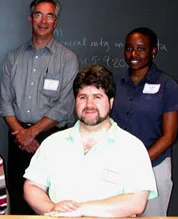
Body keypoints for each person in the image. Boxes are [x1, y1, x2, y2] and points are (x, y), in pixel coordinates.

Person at [23, 65, 157, 217]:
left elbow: (137, 202)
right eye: (83, 97)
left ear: (111, 102)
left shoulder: (132, 148)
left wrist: (79, 210)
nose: (89, 105)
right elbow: (32, 186)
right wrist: (51, 209)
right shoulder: (52, 143)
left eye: (97, 97)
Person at [0, 0, 79, 214]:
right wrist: (21, 134)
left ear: (56, 21)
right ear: (30, 18)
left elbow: (65, 104)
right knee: (17, 196)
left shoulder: (68, 59)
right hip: (17, 138)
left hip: (52, 138)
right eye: (38, 14)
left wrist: (31, 134)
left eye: (49, 15)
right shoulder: (13, 57)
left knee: (51, 201)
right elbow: (5, 101)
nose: (43, 21)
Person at [111, 27, 178, 216]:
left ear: (153, 51)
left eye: (141, 48)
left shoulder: (167, 85)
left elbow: (169, 136)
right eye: (128, 48)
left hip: (154, 167)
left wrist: (140, 160)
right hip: (116, 166)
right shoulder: (115, 83)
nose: (133, 54)